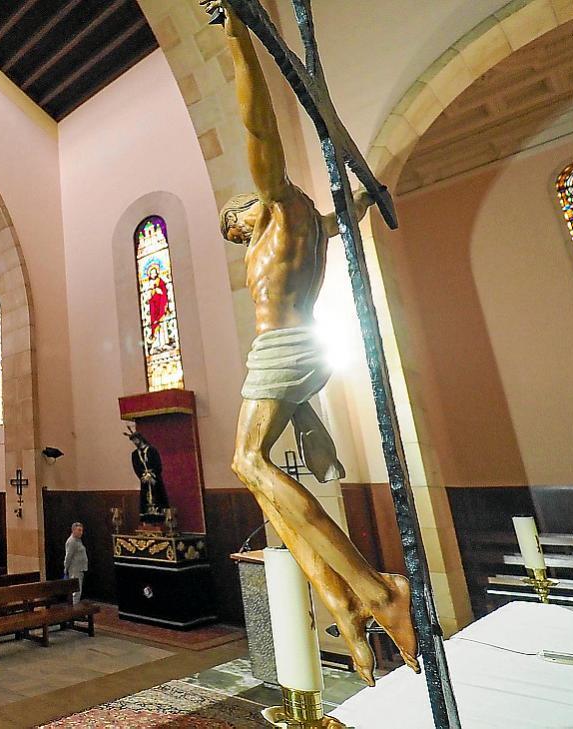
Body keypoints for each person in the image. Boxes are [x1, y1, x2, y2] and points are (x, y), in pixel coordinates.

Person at [202, 0, 417, 686]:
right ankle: (341, 604)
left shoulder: (277, 204)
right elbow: (348, 212)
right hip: (305, 353)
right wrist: (367, 197)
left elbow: (254, 116)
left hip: (284, 347)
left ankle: (378, 590)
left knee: (246, 460)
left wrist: (235, 31)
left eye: (232, 219)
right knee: (265, 483)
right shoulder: (318, 228)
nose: (233, 228)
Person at [64, 522, 88, 605]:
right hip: (75, 570)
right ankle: (74, 610)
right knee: (76, 592)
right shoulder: (71, 542)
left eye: (82, 530)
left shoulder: (78, 540)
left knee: (78, 591)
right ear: (73, 530)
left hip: (80, 569)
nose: (81, 532)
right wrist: (66, 569)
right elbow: (68, 557)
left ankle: (76, 609)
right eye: (79, 530)